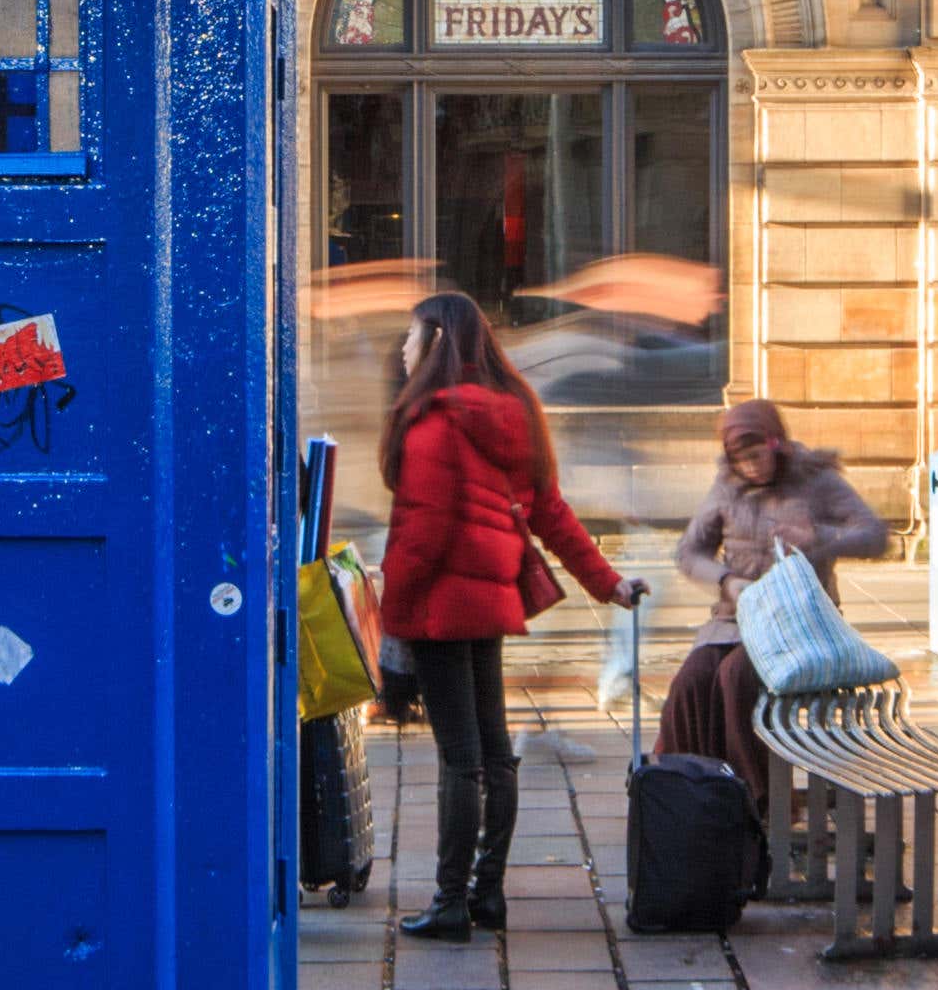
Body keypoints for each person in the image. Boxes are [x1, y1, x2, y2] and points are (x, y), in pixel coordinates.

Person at [371, 289, 640, 943]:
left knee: (461, 757)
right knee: (494, 750)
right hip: (488, 604)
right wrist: (608, 584)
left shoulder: (433, 423)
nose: (402, 350)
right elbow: (549, 509)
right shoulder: (509, 413)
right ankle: (486, 892)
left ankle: (449, 901)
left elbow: (420, 536)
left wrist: (389, 618)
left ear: (434, 343)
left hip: (438, 607)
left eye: (410, 338)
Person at [657, 397, 891, 848]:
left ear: (776, 444)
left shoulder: (817, 480)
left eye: (757, 456)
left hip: (799, 628)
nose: (750, 468)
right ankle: (685, 793)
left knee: (736, 677)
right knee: (690, 682)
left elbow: (875, 535)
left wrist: (820, 537)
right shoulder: (725, 487)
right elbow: (689, 552)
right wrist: (726, 580)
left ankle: (757, 802)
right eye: (740, 461)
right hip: (736, 620)